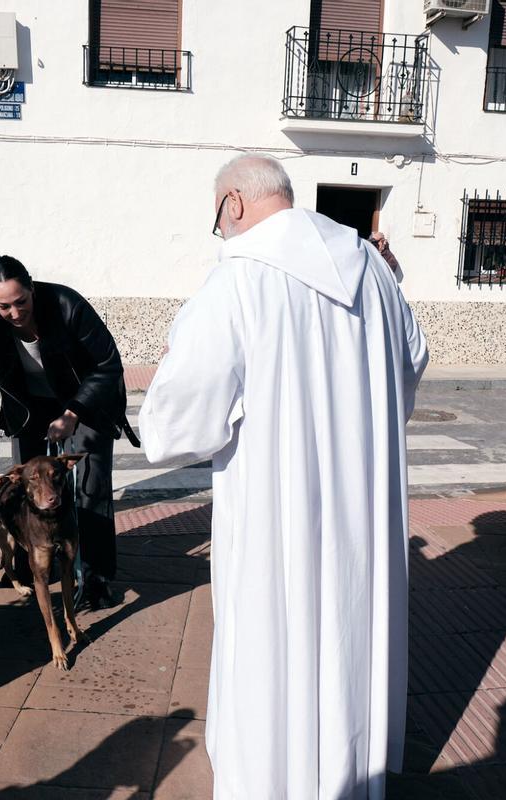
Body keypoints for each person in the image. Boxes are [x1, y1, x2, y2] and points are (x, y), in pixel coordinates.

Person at [139, 153, 427, 798]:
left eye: (218, 217)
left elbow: (175, 427)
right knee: (351, 635)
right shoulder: (376, 273)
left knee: (276, 643)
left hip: (278, 512)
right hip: (363, 511)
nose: (222, 230)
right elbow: (409, 368)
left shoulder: (236, 283)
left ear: (233, 204)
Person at [0, 255, 138, 609]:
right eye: (4, 306)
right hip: (29, 406)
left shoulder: (65, 305)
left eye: (21, 302)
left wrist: (73, 413)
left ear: (31, 287)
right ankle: (36, 563)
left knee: (90, 486)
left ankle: (96, 578)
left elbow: (108, 365)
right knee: (28, 487)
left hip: (85, 400)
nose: (14, 313)